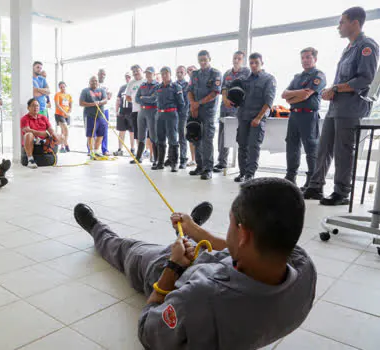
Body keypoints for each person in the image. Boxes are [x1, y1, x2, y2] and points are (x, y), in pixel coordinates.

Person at [73, 177, 316, 350]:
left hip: (173, 269)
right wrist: (202, 234)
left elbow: (148, 331)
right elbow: (249, 247)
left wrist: (173, 267)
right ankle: (190, 232)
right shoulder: (303, 265)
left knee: (128, 250)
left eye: (232, 224)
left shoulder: (199, 299)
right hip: (207, 262)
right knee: (189, 241)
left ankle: (97, 230)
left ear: (243, 236)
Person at [304, 7, 379, 206]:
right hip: (336, 107)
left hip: (351, 108)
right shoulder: (348, 49)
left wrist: (335, 88)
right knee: (324, 147)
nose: (339, 26)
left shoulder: (367, 46)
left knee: (343, 151)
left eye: (342, 22)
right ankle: (315, 186)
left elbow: (365, 79)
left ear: (355, 23)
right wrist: (333, 90)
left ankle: (342, 192)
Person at [282, 48, 327, 189]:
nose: (305, 60)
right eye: (303, 58)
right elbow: (284, 95)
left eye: (308, 57)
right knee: (292, 146)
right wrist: (299, 93)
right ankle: (290, 177)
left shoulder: (318, 75)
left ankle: (312, 181)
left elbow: (306, 95)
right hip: (294, 115)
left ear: (315, 59)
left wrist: (293, 96)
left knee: (311, 148)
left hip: (309, 115)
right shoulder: (297, 77)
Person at [234, 53, 277, 183]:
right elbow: (232, 88)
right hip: (243, 117)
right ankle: (242, 172)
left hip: (257, 119)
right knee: (242, 145)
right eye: (251, 63)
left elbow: (268, 102)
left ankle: (250, 174)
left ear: (262, 63)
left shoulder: (269, 79)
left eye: (256, 63)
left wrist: (258, 118)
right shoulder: (245, 78)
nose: (253, 65)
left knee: (253, 146)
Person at [188, 50, 222, 180]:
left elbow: (214, 93)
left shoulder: (215, 74)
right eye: (200, 60)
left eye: (205, 60)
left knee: (207, 140)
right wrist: (192, 104)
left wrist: (198, 103)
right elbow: (190, 90)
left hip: (208, 112)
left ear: (209, 59)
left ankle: (208, 169)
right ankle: (199, 166)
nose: (202, 62)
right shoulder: (195, 74)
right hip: (195, 110)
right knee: (196, 138)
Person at [216, 51, 251, 173]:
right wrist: (225, 99)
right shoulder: (227, 73)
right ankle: (221, 162)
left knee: (233, 136)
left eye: (239, 59)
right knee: (221, 135)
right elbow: (224, 88)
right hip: (225, 108)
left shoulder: (247, 72)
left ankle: (242, 166)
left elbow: (247, 89)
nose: (236, 60)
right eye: (235, 58)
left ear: (243, 60)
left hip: (238, 109)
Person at [154, 67, 185, 172]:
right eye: (162, 74)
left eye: (166, 73)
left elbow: (181, 104)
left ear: (170, 74)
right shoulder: (158, 87)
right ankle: (160, 163)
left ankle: (174, 163)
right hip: (160, 116)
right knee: (160, 139)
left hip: (171, 115)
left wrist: (175, 114)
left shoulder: (176, 87)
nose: (164, 75)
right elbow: (155, 101)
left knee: (173, 140)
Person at [21, 98, 63, 169]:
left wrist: (54, 136)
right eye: (33, 106)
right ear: (28, 108)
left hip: (44, 141)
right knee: (29, 134)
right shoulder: (24, 118)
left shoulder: (43, 117)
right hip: (31, 141)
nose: (36, 107)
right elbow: (27, 130)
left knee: (60, 136)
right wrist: (41, 133)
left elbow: (50, 130)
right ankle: (30, 160)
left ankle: (46, 146)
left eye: (37, 106)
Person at [134, 67, 159, 165]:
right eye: (147, 73)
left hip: (152, 112)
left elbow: (154, 99)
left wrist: (142, 97)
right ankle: (138, 157)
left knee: (153, 135)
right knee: (141, 135)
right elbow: (136, 98)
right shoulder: (142, 85)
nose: (148, 75)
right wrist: (145, 98)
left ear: (154, 74)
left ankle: (156, 159)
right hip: (142, 112)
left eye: (150, 73)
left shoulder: (157, 85)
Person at [80, 76, 108, 159]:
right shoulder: (85, 91)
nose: (94, 82)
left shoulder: (102, 90)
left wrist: (99, 102)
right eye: (92, 81)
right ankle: (91, 152)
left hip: (101, 115)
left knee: (101, 133)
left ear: (98, 82)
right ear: (89, 82)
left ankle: (96, 151)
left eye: (96, 81)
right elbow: (81, 103)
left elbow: (105, 100)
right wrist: (92, 104)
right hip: (90, 116)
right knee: (91, 134)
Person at [124, 65, 145, 157]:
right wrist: (134, 99)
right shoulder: (131, 83)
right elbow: (127, 97)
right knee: (137, 133)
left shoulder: (145, 81)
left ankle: (151, 155)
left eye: (137, 70)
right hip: (135, 111)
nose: (135, 72)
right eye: (134, 71)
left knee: (149, 134)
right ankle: (139, 155)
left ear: (142, 71)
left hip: (147, 110)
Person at [113, 72, 134, 156]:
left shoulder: (134, 87)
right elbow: (118, 100)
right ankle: (120, 149)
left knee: (132, 132)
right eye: (126, 77)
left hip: (131, 112)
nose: (127, 78)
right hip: (122, 112)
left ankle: (133, 149)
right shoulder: (122, 88)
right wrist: (117, 111)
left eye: (129, 77)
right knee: (121, 131)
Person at [174, 66, 189, 169]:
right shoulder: (172, 85)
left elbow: (187, 102)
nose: (179, 74)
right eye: (178, 72)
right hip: (172, 114)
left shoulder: (188, 85)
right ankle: (172, 158)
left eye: (181, 72)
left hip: (183, 115)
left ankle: (183, 159)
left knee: (182, 137)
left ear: (185, 74)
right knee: (172, 137)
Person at [54, 81, 72, 153]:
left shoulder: (68, 95)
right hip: (59, 114)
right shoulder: (57, 94)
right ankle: (66, 144)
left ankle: (62, 146)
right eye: (61, 87)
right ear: (59, 87)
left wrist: (68, 112)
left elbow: (70, 105)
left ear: (65, 86)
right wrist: (64, 112)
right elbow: (57, 105)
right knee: (66, 129)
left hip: (67, 115)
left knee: (63, 131)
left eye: (63, 87)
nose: (62, 88)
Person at [98, 69, 112, 156]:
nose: (102, 76)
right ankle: (91, 150)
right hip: (95, 110)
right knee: (93, 129)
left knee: (104, 130)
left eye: (104, 74)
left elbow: (109, 96)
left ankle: (105, 149)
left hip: (105, 109)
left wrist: (103, 97)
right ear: (98, 74)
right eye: (101, 74)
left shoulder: (107, 85)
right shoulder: (94, 83)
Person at [186, 65, 198, 167]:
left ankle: (200, 160)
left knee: (200, 137)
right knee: (191, 136)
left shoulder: (199, 82)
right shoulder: (189, 84)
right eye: (188, 70)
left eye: (192, 70)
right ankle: (193, 159)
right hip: (189, 113)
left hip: (200, 112)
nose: (190, 72)